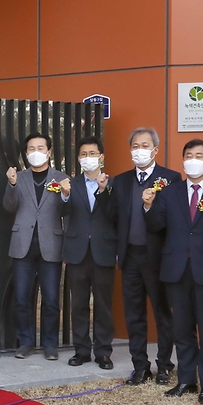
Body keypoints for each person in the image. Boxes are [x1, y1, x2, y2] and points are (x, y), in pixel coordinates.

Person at [143, 139, 203, 405]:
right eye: (188, 155)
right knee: (181, 329)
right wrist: (148, 205)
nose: (193, 159)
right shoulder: (170, 192)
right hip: (176, 271)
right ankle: (186, 380)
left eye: (199, 155)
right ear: (182, 161)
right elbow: (156, 226)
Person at [113, 128, 180, 386]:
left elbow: (174, 220)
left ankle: (164, 364)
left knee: (163, 313)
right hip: (130, 257)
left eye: (145, 145)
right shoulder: (121, 181)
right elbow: (115, 218)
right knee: (134, 314)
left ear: (155, 150)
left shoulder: (171, 178)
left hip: (158, 259)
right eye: (135, 145)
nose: (139, 150)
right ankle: (140, 366)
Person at [2, 133, 67, 360]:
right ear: (26, 153)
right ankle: (26, 342)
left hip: (51, 245)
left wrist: (67, 193)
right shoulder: (18, 177)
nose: (36, 152)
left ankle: (50, 345)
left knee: (50, 299)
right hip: (23, 246)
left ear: (49, 152)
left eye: (40, 147)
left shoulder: (62, 178)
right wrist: (11, 184)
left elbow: (67, 211)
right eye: (31, 148)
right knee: (22, 298)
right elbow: (9, 207)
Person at [61, 136, 117, 369]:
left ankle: (103, 352)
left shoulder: (114, 183)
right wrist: (64, 195)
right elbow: (61, 211)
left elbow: (115, 215)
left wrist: (104, 191)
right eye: (83, 154)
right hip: (77, 252)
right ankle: (81, 350)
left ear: (101, 157)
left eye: (92, 153)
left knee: (103, 304)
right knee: (79, 304)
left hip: (104, 250)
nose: (88, 158)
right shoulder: (70, 184)